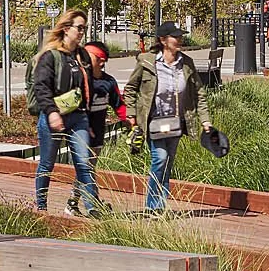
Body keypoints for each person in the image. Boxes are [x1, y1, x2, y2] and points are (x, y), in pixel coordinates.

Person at [124, 24, 205, 212]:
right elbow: (130, 88)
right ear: (163, 40)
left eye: (180, 36)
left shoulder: (186, 63)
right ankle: (152, 206)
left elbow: (199, 92)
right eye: (175, 36)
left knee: (168, 163)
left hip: (175, 122)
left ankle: (160, 206)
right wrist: (131, 113)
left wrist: (205, 120)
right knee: (160, 158)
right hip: (154, 121)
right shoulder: (147, 62)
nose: (180, 39)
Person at [30, 9, 100, 216]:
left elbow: (88, 87)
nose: (82, 32)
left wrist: (89, 118)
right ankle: (41, 206)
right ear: (66, 29)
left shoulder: (82, 55)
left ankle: (92, 207)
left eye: (85, 28)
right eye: (80, 28)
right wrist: (52, 112)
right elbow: (41, 87)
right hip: (53, 116)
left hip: (78, 117)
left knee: (84, 162)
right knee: (47, 163)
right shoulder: (50, 56)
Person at [81, 39, 129, 155]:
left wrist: (131, 122)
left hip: (97, 133)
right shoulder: (79, 78)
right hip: (79, 131)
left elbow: (119, 105)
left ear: (101, 61)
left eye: (87, 55)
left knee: (91, 162)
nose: (83, 58)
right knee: (79, 163)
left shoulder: (108, 82)